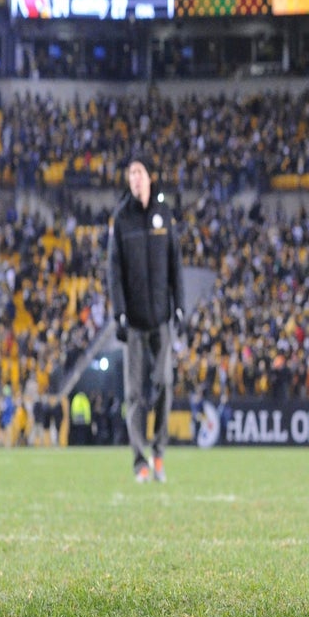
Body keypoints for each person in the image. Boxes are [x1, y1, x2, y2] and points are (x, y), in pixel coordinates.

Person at [107, 153, 185, 483]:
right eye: (131, 173)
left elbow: (175, 265)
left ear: (150, 177)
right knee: (135, 394)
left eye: (139, 172)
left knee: (165, 383)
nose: (135, 178)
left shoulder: (164, 216)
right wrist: (119, 313)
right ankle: (140, 461)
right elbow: (113, 271)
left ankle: (159, 452)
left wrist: (179, 305)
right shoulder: (121, 219)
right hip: (135, 322)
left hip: (162, 318)